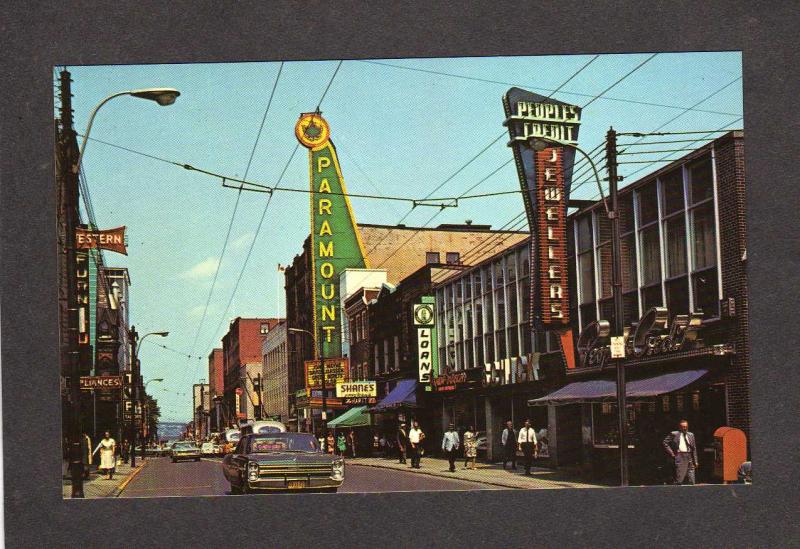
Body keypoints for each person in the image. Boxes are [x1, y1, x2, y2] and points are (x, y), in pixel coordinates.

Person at [662, 419, 699, 485]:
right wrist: (672, 453)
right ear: (680, 427)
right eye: (683, 427)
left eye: (686, 426)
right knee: (680, 479)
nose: (685, 428)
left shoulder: (691, 435)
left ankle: (692, 489)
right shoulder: (674, 434)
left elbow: (694, 448)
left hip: (689, 455)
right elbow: (665, 442)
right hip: (680, 455)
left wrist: (695, 461)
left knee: (692, 479)